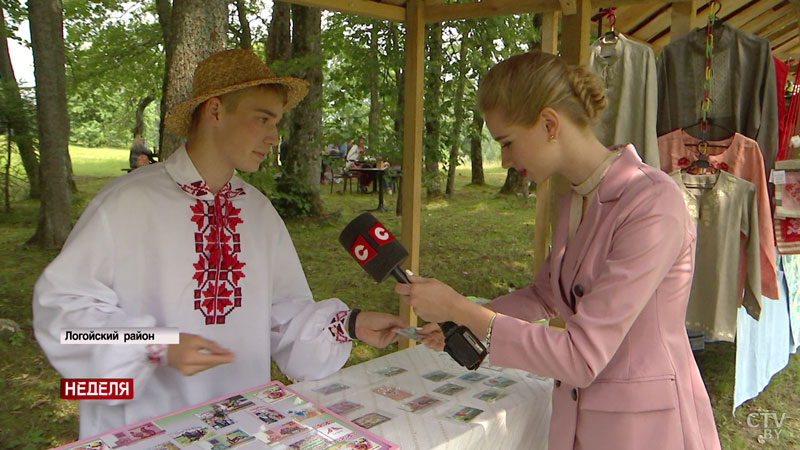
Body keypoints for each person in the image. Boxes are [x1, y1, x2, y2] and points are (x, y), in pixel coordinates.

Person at [32, 48, 406, 438]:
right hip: (145, 427)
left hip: (239, 426)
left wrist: (350, 323)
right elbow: (64, 315)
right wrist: (155, 344)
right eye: (262, 119)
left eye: (276, 122)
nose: (274, 136)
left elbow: (285, 312)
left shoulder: (258, 212)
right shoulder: (126, 202)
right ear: (214, 111)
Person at [395, 50, 722, 450]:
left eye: (508, 142)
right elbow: (547, 295)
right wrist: (459, 324)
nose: (506, 159)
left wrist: (458, 309)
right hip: (582, 420)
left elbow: (581, 357)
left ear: (550, 124)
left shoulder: (653, 204)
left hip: (647, 429)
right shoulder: (576, 199)